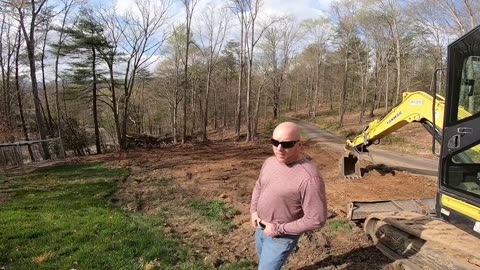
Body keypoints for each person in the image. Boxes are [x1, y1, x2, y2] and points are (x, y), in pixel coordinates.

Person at [250, 122, 327, 270]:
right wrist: (253, 211)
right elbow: (259, 186)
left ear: (300, 144)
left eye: (287, 144)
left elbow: (317, 219)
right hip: (260, 227)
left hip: (280, 237)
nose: (279, 149)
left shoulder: (309, 178)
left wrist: (278, 229)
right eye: (275, 142)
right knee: (263, 260)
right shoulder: (270, 162)